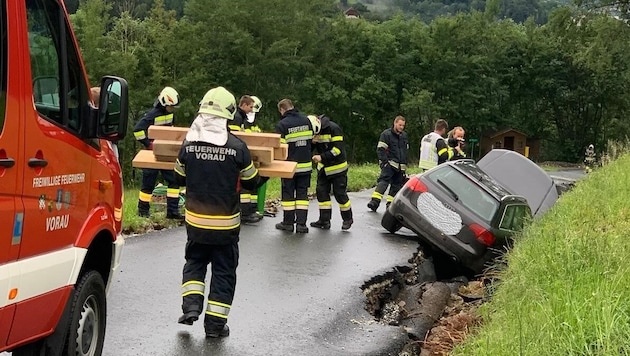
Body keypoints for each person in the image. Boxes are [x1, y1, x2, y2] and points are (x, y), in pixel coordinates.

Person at [174, 86, 267, 338]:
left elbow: (178, 175)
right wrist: (265, 172)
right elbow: (251, 181)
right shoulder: (237, 147)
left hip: (195, 223)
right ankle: (215, 327)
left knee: (194, 263)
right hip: (225, 227)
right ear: (228, 115)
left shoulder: (188, 145)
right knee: (224, 272)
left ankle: (191, 306)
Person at [133, 86, 183, 219]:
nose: (172, 109)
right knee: (148, 184)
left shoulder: (170, 114)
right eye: (171, 106)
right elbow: (137, 130)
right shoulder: (152, 115)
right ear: (164, 103)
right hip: (152, 155)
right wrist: (148, 145)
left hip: (165, 154)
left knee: (174, 182)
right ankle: (143, 212)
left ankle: (172, 212)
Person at [275, 99, 313, 233]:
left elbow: (280, 149)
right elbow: (311, 142)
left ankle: (288, 223)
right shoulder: (307, 121)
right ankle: (302, 225)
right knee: (302, 195)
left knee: (288, 195)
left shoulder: (282, 125)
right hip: (306, 166)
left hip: (289, 167)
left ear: (282, 109)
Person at [308, 114, 353, 230]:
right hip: (324, 169)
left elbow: (337, 150)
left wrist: (322, 157)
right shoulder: (313, 130)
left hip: (338, 168)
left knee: (340, 194)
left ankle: (347, 219)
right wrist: (312, 143)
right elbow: (309, 150)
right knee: (321, 193)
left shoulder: (334, 128)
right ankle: (324, 221)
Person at [230, 95, 262, 224]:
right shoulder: (237, 118)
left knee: (245, 186)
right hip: (237, 156)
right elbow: (235, 137)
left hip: (240, 154)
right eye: (250, 107)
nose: (251, 109)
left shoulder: (241, 117)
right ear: (243, 105)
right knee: (243, 187)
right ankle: (244, 213)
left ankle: (246, 211)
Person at [367, 115, 409, 212]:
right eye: (400, 125)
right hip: (389, 164)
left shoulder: (404, 136)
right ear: (395, 123)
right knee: (383, 182)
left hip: (400, 166)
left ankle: (390, 204)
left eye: (403, 126)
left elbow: (405, 151)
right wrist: (385, 162)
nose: (401, 127)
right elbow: (380, 149)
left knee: (396, 186)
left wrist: (405, 165)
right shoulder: (386, 134)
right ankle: (374, 202)